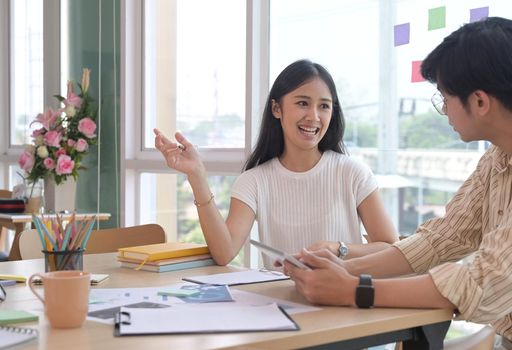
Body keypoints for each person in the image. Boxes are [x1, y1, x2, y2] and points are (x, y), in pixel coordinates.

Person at [286, 18, 512, 349]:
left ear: (479, 102)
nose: (444, 111)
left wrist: (355, 289)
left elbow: (488, 281)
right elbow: (444, 238)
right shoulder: (499, 158)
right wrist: (343, 269)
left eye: (444, 99)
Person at [154, 59, 398, 266]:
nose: (313, 116)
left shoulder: (353, 173)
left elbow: (390, 247)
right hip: (280, 306)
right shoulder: (254, 181)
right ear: (276, 108)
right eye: (302, 103)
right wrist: (197, 175)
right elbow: (224, 253)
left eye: (324, 106)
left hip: (341, 305)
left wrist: (338, 248)